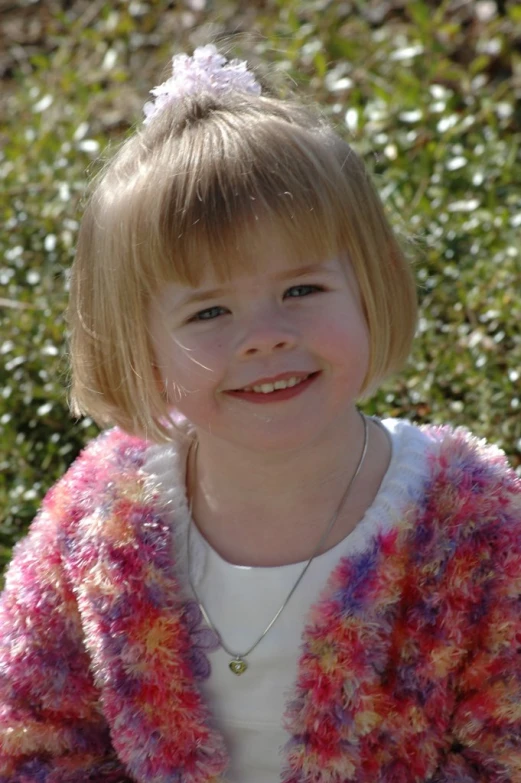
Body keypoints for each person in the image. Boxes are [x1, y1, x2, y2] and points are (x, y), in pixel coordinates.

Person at [1, 43, 520, 783]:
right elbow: (33, 739)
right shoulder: (95, 526)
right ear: (137, 346)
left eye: (302, 290)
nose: (267, 335)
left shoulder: (474, 521)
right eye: (209, 309)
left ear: (369, 286)